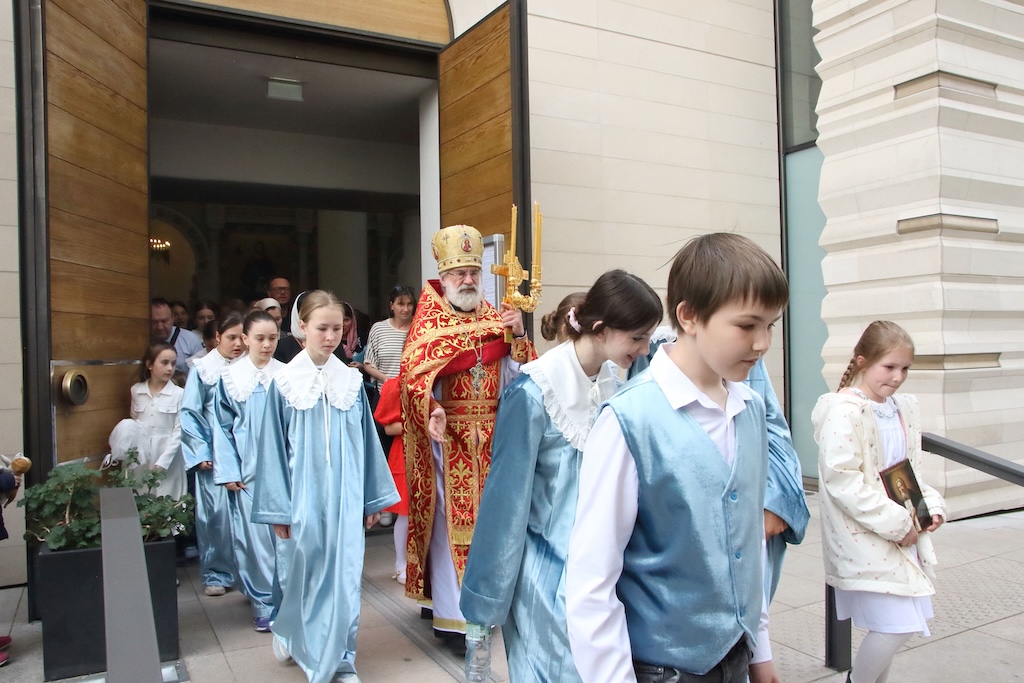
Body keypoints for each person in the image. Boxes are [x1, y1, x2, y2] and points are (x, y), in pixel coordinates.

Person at [566, 233, 788, 683]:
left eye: (772, 325)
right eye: (747, 326)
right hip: (660, 669)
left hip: (736, 658)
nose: (763, 343)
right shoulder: (630, 419)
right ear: (688, 316)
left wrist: (760, 651)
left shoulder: (750, 408)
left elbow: (748, 547)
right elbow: (591, 581)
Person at [461, 270, 663, 683]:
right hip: (549, 580)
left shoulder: (621, 382)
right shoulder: (533, 393)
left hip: (610, 575)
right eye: (638, 338)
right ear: (601, 328)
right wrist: (483, 609)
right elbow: (504, 508)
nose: (645, 349)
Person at [398, 224, 535, 652]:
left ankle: (483, 606)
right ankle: (455, 620)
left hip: (492, 440)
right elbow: (412, 381)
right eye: (460, 274)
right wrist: (432, 409)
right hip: (449, 440)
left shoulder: (498, 320)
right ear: (444, 276)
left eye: (474, 272)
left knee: (491, 527)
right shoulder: (427, 325)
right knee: (449, 529)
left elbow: (522, 377)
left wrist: (520, 337)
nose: (469, 280)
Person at [252, 290, 398, 683]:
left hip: (347, 497)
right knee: (303, 575)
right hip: (302, 497)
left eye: (338, 328)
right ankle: (293, 631)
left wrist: (372, 500)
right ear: (302, 327)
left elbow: (367, 446)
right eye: (323, 328)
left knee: (346, 578)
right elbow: (271, 452)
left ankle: (338, 659)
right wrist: (277, 508)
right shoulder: (283, 385)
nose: (331, 336)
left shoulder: (350, 382)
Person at [813, 320, 946, 683]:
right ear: (862, 362)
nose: (898, 376)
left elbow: (907, 470)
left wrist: (928, 508)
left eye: (905, 368)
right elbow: (843, 481)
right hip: (867, 536)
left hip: (902, 536)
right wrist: (899, 524)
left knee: (896, 623)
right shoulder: (844, 410)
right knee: (897, 625)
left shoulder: (900, 409)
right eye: (889, 367)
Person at [211, 310, 284, 632]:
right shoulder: (230, 379)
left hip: (285, 472)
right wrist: (228, 469)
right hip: (248, 473)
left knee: (285, 542)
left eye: (272, 338)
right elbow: (221, 427)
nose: (266, 345)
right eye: (259, 338)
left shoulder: (288, 375)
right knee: (255, 543)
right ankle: (263, 601)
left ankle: (288, 600)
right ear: (245, 339)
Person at [181, 312, 245, 597]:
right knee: (214, 514)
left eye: (242, 338)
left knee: (246, 516)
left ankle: (248, 572)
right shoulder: (202, 369)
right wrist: (200, 451)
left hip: (245, 450)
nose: (237, 344)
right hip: (214, 452)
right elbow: (191, 413)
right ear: (218, 336)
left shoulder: (250, 367)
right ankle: (216, 572)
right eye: (231, 337)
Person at [128, 342, 186, 500]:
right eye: (164, 363)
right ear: (149, 364)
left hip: (168, 453)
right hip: (142, 454)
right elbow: (133, 422)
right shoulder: (137, 390)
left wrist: (164, 461)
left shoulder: (179, 394)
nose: (170, 368)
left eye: (173, 364)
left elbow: (179, 431)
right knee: (141, 494)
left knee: (168, 497)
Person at [373, 378, 410, 584]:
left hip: (436, 451)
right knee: (405, 514)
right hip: (405, 452)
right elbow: (388, 428)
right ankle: (401, 564)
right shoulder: (396, 385)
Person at [362, 285, 416, 389]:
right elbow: (368, 364)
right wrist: (385, 379)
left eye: (409, 304)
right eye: (401, 304)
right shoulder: (378, 329)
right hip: (385, 392)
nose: (405, 309)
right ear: (392, 305)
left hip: (413, 394)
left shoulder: (420, 328)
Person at [151, 298, 203, 373]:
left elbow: (201, 373)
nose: (160, 327)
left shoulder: (191, 339)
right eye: (154, 322)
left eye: (164, 321)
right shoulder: (139, 339)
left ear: (172, 318)